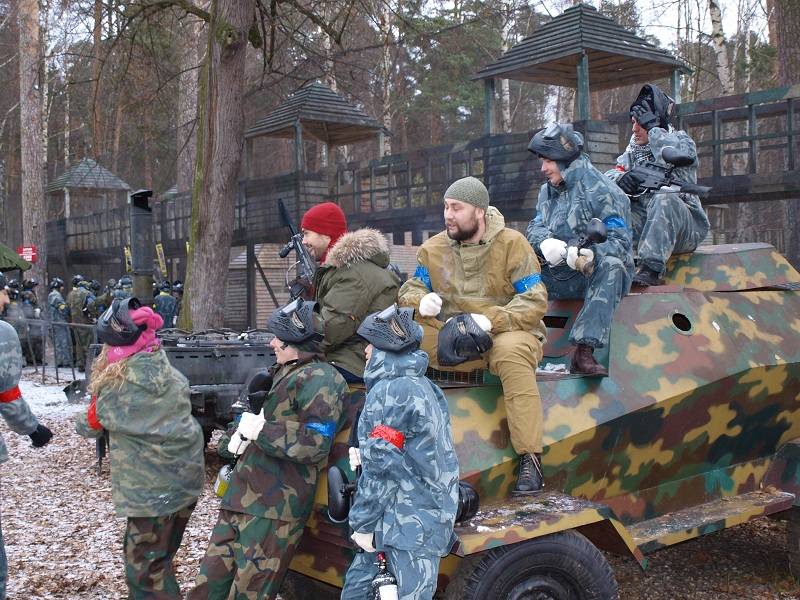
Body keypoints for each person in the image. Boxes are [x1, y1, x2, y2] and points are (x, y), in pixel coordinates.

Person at [189, 298, 349, 600]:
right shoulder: (280, 372)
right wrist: (235, 436)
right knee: (207, 588)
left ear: (298, 342)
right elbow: (249, 425)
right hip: (241, 498)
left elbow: (315, 443)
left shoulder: (322, 378)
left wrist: (261, 430)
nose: (273, 342)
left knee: (248, 593)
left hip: (274, 508)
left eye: (280, 338)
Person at [397, 176, 548, 494]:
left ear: (479, 211)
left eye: (456, 208)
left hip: (502, 335)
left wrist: (492, 319)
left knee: (513, 352)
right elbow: (411, 288)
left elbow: (534, 299)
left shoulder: (512, 244)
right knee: (403, 334)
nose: (448, 215)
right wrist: (419, 300)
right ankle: (396, 436)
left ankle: (530, 458)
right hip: (453, 339)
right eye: (445, 208)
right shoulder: (434, 248)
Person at [75, 297, 204, 600]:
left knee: (145, 573)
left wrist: (97, 394)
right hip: (185, 484)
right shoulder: (171, 374)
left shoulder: (117, 386)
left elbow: (88, 425)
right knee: (159, 560)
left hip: (152, 493)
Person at [341, 305, 459, 600]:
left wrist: (362, 522)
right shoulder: (420, 386)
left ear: (386, 348)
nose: (365, 351)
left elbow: (383, 463)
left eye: (370, 343)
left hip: (407, 530)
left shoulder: (396, 390)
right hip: (400, 524)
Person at [526, 122, 634, 377]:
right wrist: (545, 243)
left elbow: (621, 242)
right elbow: (534, 227)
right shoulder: (547, 192)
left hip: (591, 274)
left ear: (563, 158)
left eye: (547, 161)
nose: (543, 169)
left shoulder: (603, 190)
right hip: (558, 273)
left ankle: (584, 351)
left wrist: (591, 253)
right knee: (515, 265)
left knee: (613, 267)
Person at [606, 83, 711, 286]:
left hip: (684, 230)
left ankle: (651, 269)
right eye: (633, 122)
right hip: (647, 227)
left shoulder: (681, 142)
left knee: (664, 198)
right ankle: (610, 264)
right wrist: (622, 182)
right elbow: (609, 177)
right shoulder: (632, 152)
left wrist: (654, 129)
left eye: (641, 124)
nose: (635, 129)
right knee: (611, 205)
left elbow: (671, 156)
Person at [301, 202, 400, 383]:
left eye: (307, 233)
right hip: (351, 353)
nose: (304, 241)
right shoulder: (342, 269)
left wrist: (292, 341)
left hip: (358, 359)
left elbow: (332, 327)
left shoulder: (353, 272)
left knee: (299, 381)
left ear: (325, 233)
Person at [65, 276, 95, 372]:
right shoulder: (87, 293)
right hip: (85, 322)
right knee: (88, 343)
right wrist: (92, 315)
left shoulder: (70, 294)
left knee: (78, 344)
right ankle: (88, 365)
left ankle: (80, 364)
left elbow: (66, 310)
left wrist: (70, 319)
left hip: (74, 323)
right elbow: (91, 304)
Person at [48, 278, 73, 368]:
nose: (63, 288)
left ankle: (59, 361)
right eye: (61, 286)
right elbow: (63, 309)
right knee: (64, 342)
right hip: (60, 322)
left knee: (57, 343)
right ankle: (66, 361)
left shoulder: (52, 295)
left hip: (54, 322)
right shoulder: (56, 296)